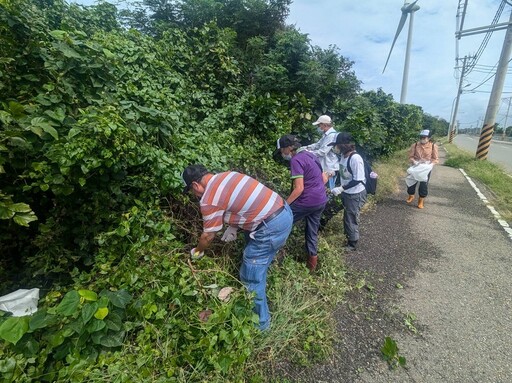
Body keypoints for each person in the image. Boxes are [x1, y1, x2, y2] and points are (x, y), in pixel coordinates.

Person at [182, 164, 293, 331]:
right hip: (283, 212)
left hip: (269, 227)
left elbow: (208, 236)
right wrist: (234, 226)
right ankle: (260, 291)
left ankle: (261, 327)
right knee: (258, 264)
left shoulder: (208, 199)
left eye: (192, 192)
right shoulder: (228, 175)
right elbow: (243, 203)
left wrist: (197, 251)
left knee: (250, 276)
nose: (195, 195)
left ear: (195, 186)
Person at [276, 134, 328, 272]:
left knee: (280, 222)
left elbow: (299, 189)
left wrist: (284, 205)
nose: (282, 153)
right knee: (312, 232)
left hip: (307, 201)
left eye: (282, 150)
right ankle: (312, 267)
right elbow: (323, 178)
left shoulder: (296, 160)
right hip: (321, 200)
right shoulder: (311, 155)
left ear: (288, 148)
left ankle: (275, 254)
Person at [328, 133, 367, 251]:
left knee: (350, 217)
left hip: (355, 193)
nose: (335, 148)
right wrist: (334, 172)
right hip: (346, 191)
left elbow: (358, 179)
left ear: (343, 145)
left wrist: (341, 188)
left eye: (336, 146)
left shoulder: (355, 158)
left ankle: (352, 243)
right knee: (330, 208)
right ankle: (320, 229)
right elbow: (343, 171)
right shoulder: (343, 157)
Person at [303, 115, 338, 189]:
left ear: (325, 125)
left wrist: (308, 153)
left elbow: (323, 152)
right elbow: (317, 145)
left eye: (319, 125)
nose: (319, 127)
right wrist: (306, 148)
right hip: (325, 166)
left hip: (329, 168)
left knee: (327, 189)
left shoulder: (331, 136)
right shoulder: (326, 135)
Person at [406, 129, 439, 209]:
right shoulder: (415, 145)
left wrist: (430, 165)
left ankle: (421, 200)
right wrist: (414, 161)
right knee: (410, 182)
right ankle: (411, 195)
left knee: (423, 184)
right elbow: (411, 156)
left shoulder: (433, 146)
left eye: (424, 137)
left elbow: (435, 159)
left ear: (429, 138)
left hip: (426, 168)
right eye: (421, 137)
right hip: (416, 166)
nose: (422, 139)